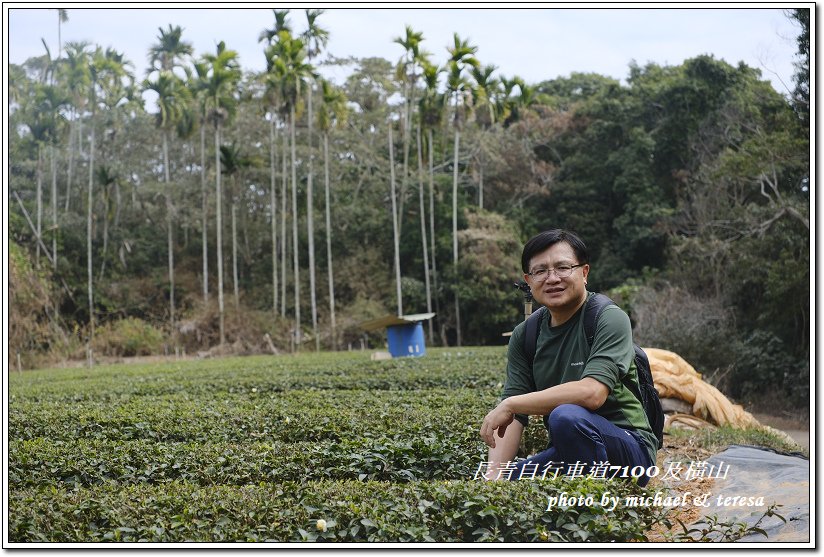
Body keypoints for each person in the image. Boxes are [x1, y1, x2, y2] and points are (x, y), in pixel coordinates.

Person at [479, 229, 657, 485]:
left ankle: (595, 508)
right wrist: (493, 477)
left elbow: (592, 394)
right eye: (540, 271)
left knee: (566, 416)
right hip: (569, 449)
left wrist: (511, 404)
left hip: (630, 448)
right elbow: (513, 418)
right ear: (528, 280)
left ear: (584, 273)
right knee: (511, 483)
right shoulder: (525, 335)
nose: (552, 279)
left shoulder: (608, 318)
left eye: (563, 267)